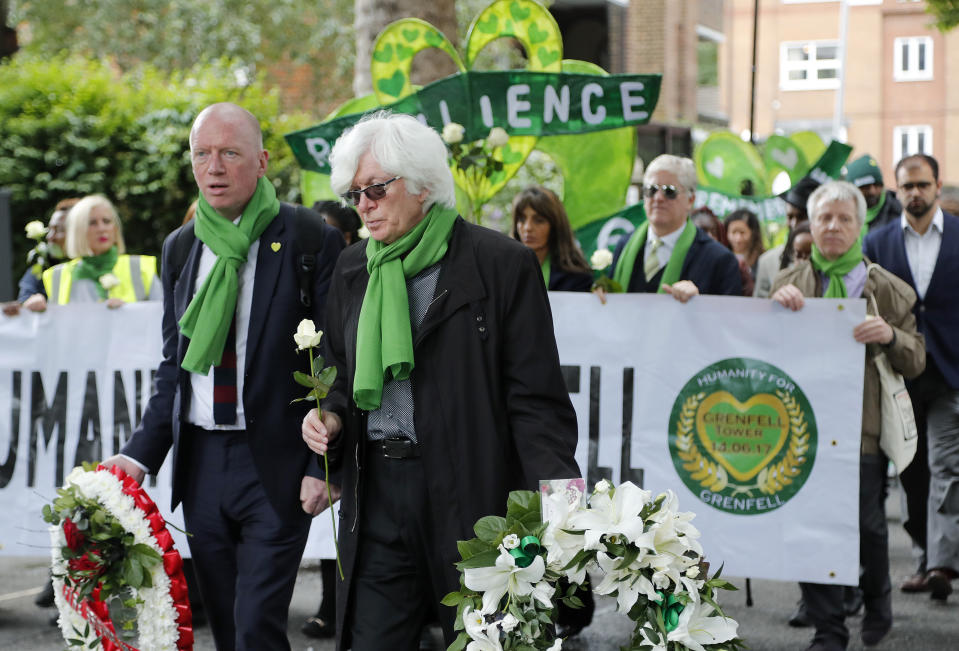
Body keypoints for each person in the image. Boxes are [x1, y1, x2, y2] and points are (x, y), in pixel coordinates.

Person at [300, 112, 580, 651]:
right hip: (379, 492)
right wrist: (329, 417)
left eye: (376, 189)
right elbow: (336, 371)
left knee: (485, 639)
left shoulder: (500, 264)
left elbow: (535, 399)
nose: (363, 205)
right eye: (355, 193)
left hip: (474, 492)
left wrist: (561, 494)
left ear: (423, 183)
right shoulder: (354, 268)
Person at [103, 102, 344, 651]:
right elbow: (175, 366)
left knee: (258, 623)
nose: (213, 167)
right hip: (203, 465)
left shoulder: (309, 238)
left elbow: (334, 363)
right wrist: (139, 455)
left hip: (277, 461)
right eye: (201, 154)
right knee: (228, 628)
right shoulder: (182, 246)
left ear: (260, 162)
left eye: (229, 153)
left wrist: (322, 464)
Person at [772, 180, 925, 650]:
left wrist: (890, 337)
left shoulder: (887, 289)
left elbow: (917, 359)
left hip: (860, 428)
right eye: (824, 218)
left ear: (860, 226)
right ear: (809, 225)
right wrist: (773, 316)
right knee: (810, 526)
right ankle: (828, 627)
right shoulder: (787, 285)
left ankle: (877, 600)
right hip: (800, 430)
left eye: (844, 219)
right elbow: (760, 356)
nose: (833, 227)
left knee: (867, 525)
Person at [864, 153, 959, 601]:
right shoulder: (879, 242)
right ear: (896, 190)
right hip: (900, 373)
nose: (915, 193)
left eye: (922, 184)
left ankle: (941, 562)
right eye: (907, 186)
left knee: (947, 465)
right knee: (910, 469)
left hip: (951, 371)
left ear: (938, 186)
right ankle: (926, 553)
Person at [608, 154, 742, 299]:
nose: (658, 198)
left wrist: (699, 303)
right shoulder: (624, 245)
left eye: (669, 191)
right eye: (651, 190)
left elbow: (727, 318)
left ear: (690, 200)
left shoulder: (719, 260)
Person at [20, 195, 160, 309]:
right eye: (92, 223)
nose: (102, 228)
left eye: (106, 221)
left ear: (115, 228)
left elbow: (163, 319)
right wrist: (31, 311)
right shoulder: (57, 276)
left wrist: (128, 313)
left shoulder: (140, 268)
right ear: (77, 230)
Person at [2, 198, 76, 317]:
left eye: (58, 230)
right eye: (50, 229)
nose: (49, 237)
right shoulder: (40, 271)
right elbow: (23, 305)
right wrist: (25, 306)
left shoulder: (101, 268)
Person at [511, 186, 593, 291]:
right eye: (522, 219)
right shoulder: (502, 270)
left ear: (555, 225)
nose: (528, 228)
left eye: (539, 220)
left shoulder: (577, 277)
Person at [753, 176, 820, 298]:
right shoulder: (768, 262)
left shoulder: (836, 264)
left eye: (801, 217)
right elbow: (759, 311)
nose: (794, 224)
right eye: (790, 217)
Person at [845, 154, 901, 234]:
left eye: (877, 185)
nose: (872, 191)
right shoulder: (841, 216)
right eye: (866, 187)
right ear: (852, 189)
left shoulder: (898, 213)